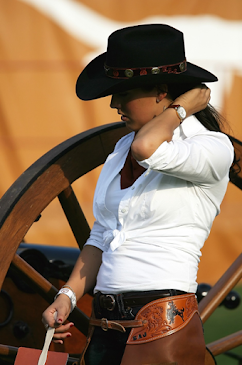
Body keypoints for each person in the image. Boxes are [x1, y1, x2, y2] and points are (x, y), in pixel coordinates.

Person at [42, 24, 234, 365]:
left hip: (162, 329)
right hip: (103, 326)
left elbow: (148, 148)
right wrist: (68, 296)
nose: (115, 103)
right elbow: (102, 234)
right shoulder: (119, 150)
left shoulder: (210, 147)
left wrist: (182, 109)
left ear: (162, 91)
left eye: (125, 92)